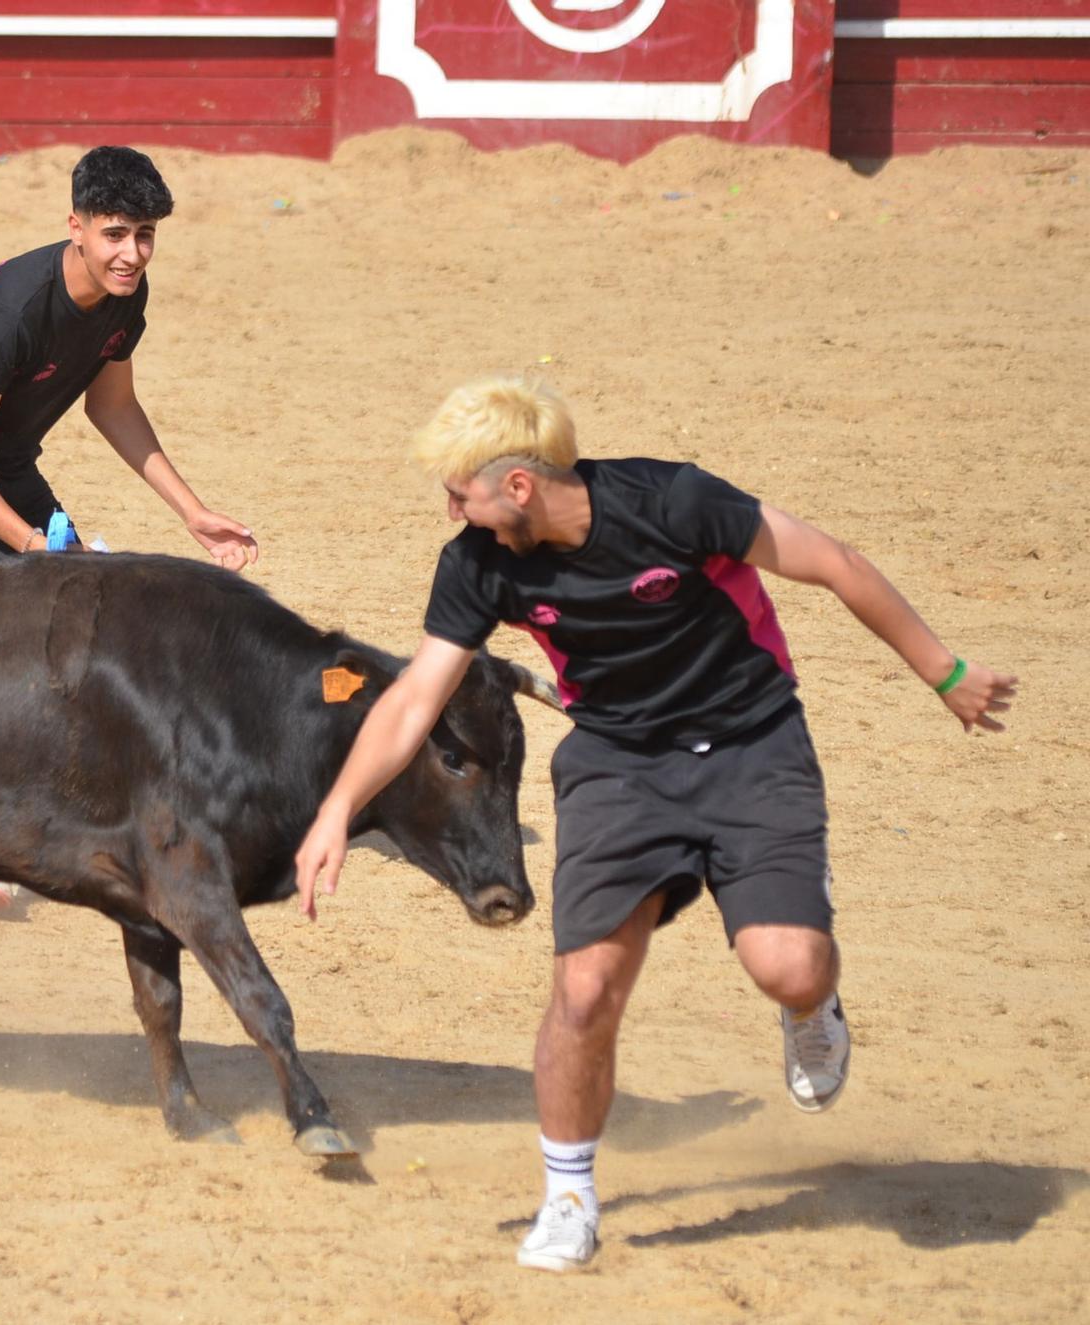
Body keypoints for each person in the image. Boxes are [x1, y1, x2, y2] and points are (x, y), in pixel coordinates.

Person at [291, 376, 1016, 1271]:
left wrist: (946, 673)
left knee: (786, 964)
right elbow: (411, 702)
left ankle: (811, 1003)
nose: (452, 508)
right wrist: (337, 810)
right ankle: (567, 1194)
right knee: (586, 989)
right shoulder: (478, 564)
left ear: (518, 486)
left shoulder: (674, 501)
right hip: (616, 763)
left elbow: (835, 563)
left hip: (752, 743)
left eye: (460, 491)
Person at [0, 144, 259, 912]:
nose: (133, 253)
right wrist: (33, 552)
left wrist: (192, 511)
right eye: (116, 233)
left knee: (89, 616)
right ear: (75, 226)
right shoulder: (12, 310)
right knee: (31, 621)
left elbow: (110, 405)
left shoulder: (126, 297)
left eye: (146, 234)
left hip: (6, 463)